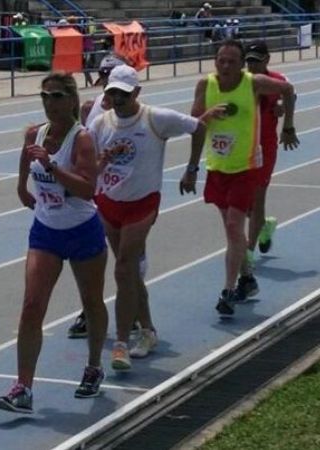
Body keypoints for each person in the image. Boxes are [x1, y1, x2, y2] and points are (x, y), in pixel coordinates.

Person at [89, 65, 221, 371]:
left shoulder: (156, 118)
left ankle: (121, 343)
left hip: (142, 204)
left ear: (137, 92)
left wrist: (192, 168)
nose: (117, 99)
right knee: (131, 274)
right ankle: (147, 330)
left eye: (123, 94)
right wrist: (100, 163)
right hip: (108, 203)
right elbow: (91, 165)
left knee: (124, 269)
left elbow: (198, 127)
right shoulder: (99, 124)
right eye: (112, 93)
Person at [0, 72, 108, 414]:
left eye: (57, 96)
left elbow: (88, 189)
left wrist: (52, 167)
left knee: (92, 302)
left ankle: (93, 366)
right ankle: (23, 387)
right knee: (32, 305)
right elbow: (27, 154)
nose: (50, 103)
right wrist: (21, 186)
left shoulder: (82, 139)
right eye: (45, 96)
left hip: (82, 229)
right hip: (46, 230)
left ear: (72, 100)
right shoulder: (35, 133)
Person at [180, 39, 299, 316]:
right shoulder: (205, 85)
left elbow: (288, 89)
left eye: (232, 61)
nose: (225, 66)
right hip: (218, 168)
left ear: (241, 63)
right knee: (232, 231)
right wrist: (192, 167)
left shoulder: (253, 83)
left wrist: (288, 125)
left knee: (234, 227)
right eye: (221, 60)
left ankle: (228, 290)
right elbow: (195, 126)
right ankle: (247, 278)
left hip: (246, 168)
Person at [68, 53, 148, 340]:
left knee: (128, 261)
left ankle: (135, 313)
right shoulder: (90, 109)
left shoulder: (140, 114)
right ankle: (88, 311)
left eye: (111, 77)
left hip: (130, 196)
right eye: (104, 77)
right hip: (97, 197)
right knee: (92, 257)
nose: (107, 85)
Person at [243, 40, 290, 268]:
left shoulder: (278, 81)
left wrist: (286, 120)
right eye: (249, 61)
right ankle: (263, 225)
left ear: (267, 60)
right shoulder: (240, 82)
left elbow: (290, 96)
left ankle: (248, 251)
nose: (252, 66)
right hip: (241, 146)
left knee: (258, 196)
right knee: (242, 203)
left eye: (256, 61)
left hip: (265, 146)